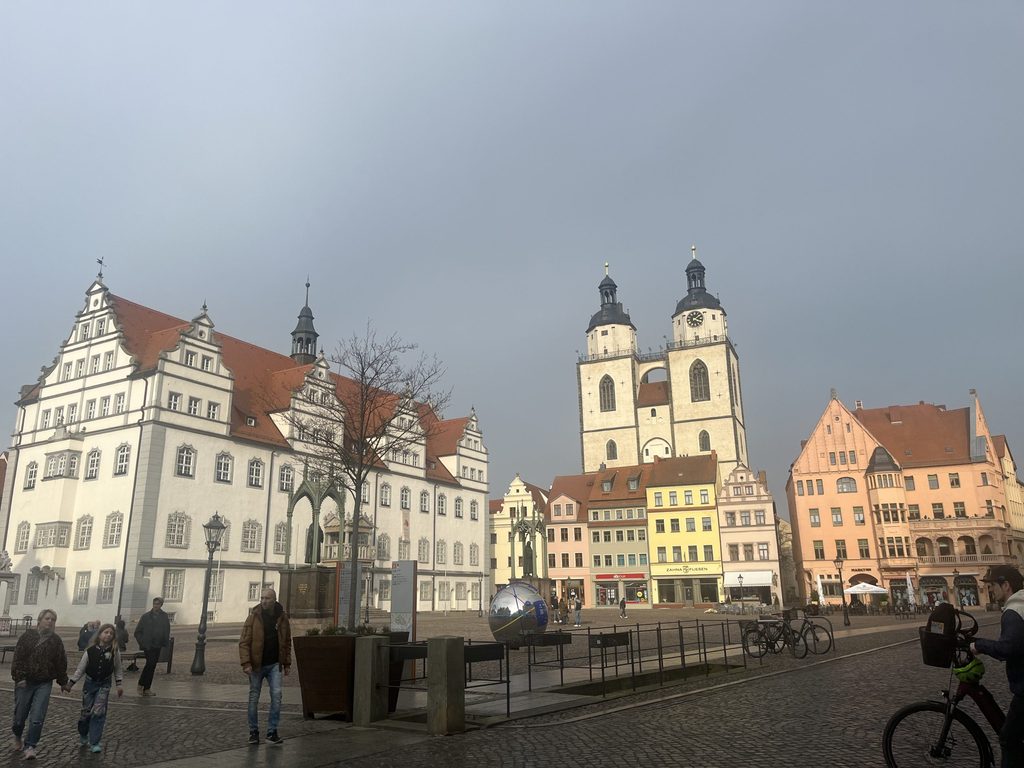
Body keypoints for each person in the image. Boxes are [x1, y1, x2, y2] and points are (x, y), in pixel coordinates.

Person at [970, 565, 1024, 768]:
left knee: (1009, 738)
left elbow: (1008, 648)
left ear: (1006, 585)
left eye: (993, 585)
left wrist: (979, 645)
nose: (990, 590)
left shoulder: (1014, 610)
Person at [10, 609, 69, 760]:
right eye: (47, 618)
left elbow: (60, 662)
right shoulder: (28, 636)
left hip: (44, 683)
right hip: (25, 682)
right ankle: (17, 734)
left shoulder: (56, 641)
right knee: (19, 716)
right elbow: (18, 657)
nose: (50, 622)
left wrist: (63, 681)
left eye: (53, 620)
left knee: (37, 716)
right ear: (40, 620)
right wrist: (20, 677)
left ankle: (30, 746)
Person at [239, 588, 292, 746]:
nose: (263, 601)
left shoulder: (282, 618)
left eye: (267, 598)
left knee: (277, 696)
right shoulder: (253, 617)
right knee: (254, 697)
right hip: (256, 665)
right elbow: (244, 642)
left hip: (275, 664)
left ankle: (272, 732)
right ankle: (253, 732)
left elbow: (287, 642)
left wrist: (287, 663)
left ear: (274, 599)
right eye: (261, 598)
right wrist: (246, 663)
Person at [63, 623, 124, 753]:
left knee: (98, 712)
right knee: (86, 712)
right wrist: (71, 683)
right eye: (105, 632)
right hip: (90, 684)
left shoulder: (114, 651)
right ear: (100, 634)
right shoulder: (90, 651)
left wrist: (119, 684)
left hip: (104, 685)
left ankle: (95, 741)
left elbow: (118, 668)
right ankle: (83, 732)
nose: (108, 635)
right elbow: (81, 669)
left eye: (111, 633)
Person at [133, 597, 170, 697]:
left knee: (152, 666)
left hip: (157, 645)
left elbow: (167, 629)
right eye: (154, 604)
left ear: (161, 605)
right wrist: (143, 642)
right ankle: (142, 685)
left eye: (158, 604)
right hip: (148, 645)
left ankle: (146, 688)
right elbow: (137, 632)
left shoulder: (164, 616)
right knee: (150, 663)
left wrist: (165, 642)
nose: (155, 606)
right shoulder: (146, 617)